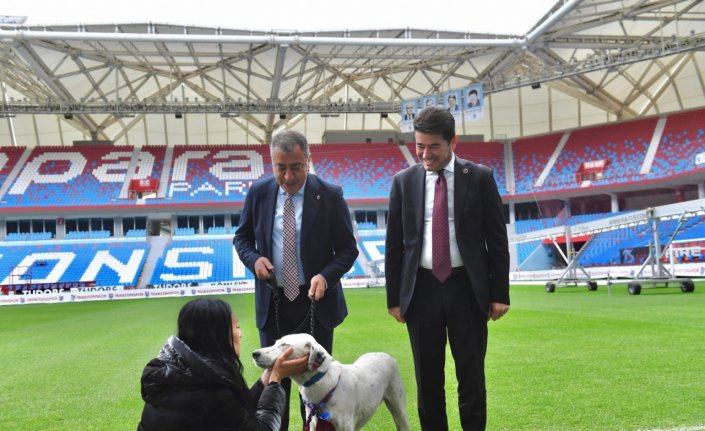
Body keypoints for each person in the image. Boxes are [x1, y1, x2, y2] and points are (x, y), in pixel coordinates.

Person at [385, 107, 510, 430]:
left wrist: (499, 294)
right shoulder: (403, 182)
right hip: (421, 290)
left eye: (433, 147)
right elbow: (395, 245)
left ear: (453, 141)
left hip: (467, 289)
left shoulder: (480, 177)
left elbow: (496, 240)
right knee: (428, 381)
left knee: (471, 378)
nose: (425, 154)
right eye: (419, 146)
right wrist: (394, 299)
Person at [233, 129, 359, 430]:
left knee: (316, 388)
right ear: (271, 163)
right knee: (274, 384)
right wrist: (254, 260)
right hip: (273, 303)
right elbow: (242, 238)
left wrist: (325, 278)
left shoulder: (330, 195)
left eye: (296, 167)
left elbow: (347, 250)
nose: (288, 176)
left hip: (316, 303)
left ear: (308, 161)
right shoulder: (259, 192)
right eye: (281, 167)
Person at [137, 297, 309, 431]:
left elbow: (237, 415)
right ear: (217, 335)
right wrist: (276, 379)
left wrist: (267, 377)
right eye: (236, 327)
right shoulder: (211, 390)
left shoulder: (179, 372)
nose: (240, 334)